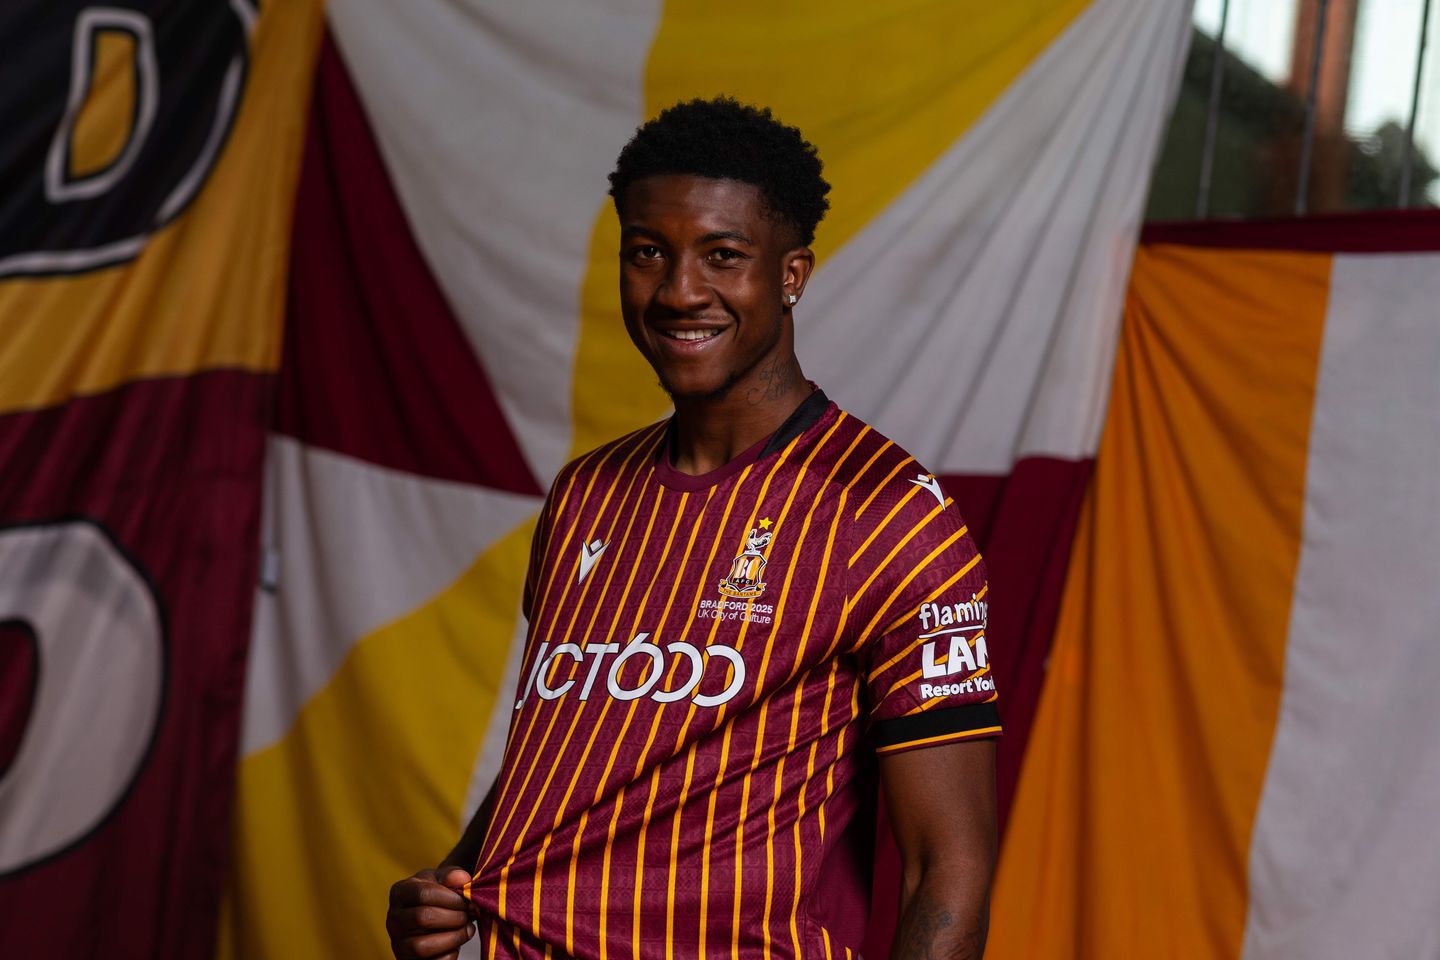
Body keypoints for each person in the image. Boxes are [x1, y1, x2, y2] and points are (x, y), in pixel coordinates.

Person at [387, 96, 999, 960]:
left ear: (791, 274)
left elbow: (950, 869)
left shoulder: (886, 513)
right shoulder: (585, 495)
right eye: (648, 253)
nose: (678, 292)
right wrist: (456, 876)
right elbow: (574, 755)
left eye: (723, 256)